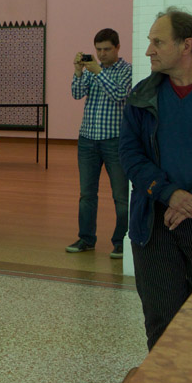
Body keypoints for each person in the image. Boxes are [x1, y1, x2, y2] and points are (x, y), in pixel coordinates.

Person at [120, 8, 192, 350]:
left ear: (186, 45)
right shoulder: (141, 97)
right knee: (162, 319)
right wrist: (170, 194)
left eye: (157, 42)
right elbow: (130, 156)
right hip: (154, 221)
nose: (148, 51)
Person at [66, 28, 132, 258]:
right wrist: (78, 72)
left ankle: (122, 241)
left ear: (117, 48)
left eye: (106, 49)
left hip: (115, 141)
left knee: (121, 196)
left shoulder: (127, 70)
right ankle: (86, 238)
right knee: (87, 194)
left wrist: (97, 72)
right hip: (87, 140)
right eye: (98, 50)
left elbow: (120, 95)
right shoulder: (93, 69)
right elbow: (76, 94)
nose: (102, 54)